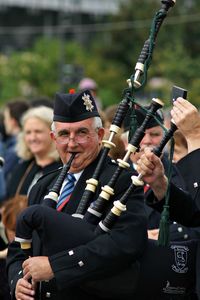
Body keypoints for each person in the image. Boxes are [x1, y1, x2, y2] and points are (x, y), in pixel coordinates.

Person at [6, 89, 147, 300]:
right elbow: (19, 245)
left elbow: (126, 243)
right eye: (64, 134)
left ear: (99, 135)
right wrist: (17, 279)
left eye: (81, 133)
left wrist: (56, 266)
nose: (72, 143)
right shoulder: (43, 186)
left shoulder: (121, 179)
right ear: (54, 138)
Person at [6, 105, 62, 198]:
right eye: (28, 132)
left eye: (38, 131)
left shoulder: (64, 168)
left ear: (53, 134)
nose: (32, 138)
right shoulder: (21, 168)